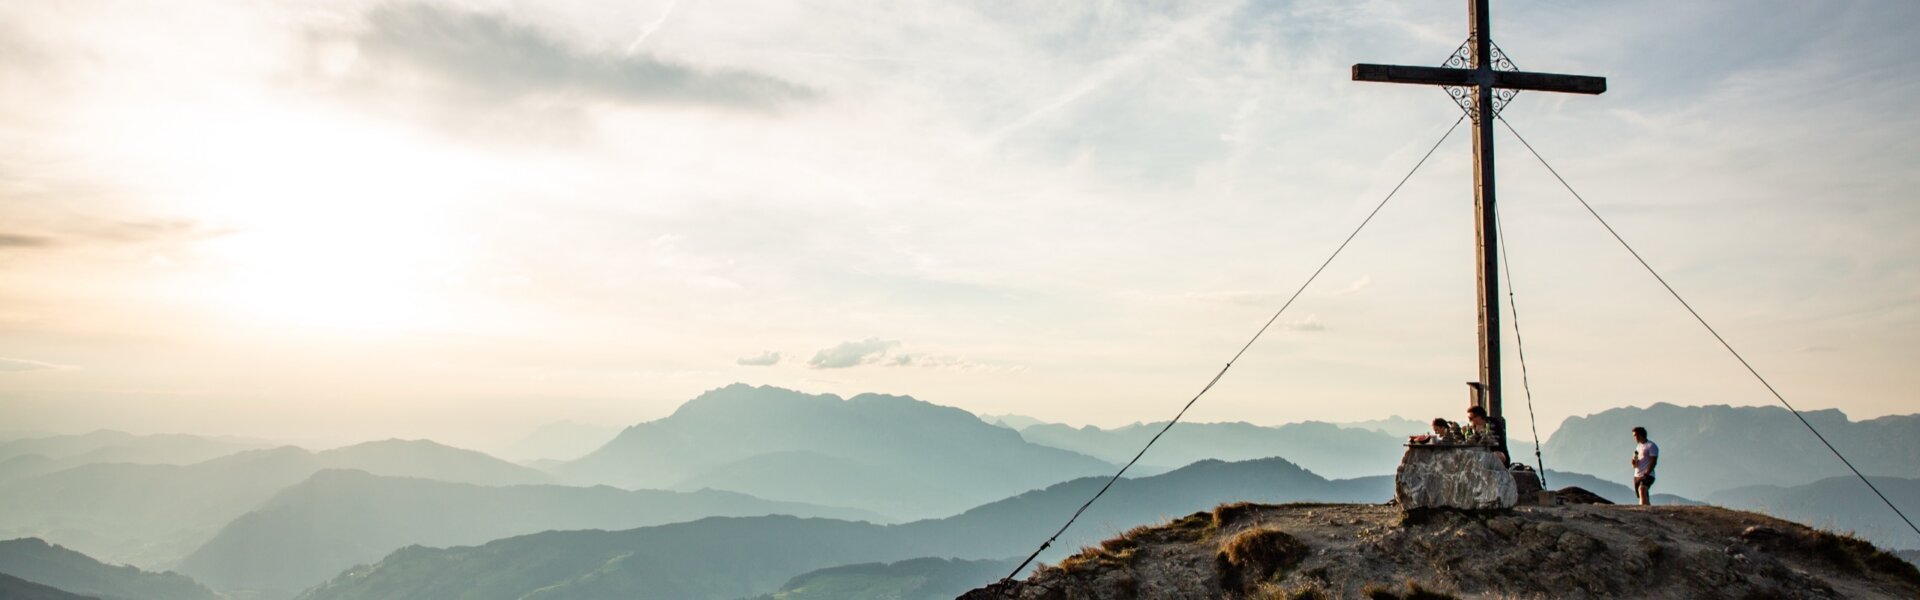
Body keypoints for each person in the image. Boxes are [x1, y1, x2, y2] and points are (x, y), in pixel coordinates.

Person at [1631, 426, 1659, 505]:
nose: (1634, 438)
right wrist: (1633, 462)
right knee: (1642, 495)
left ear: (1639, 435)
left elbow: (1654, 461)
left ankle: (1643, 511)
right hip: (1637, 475)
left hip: (1647, 474)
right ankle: (1648, 512)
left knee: (1642, 489)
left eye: (1634, 436)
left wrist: (1646, 474)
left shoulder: (1651, 446)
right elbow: (1635, 465)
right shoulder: (1638, 446)